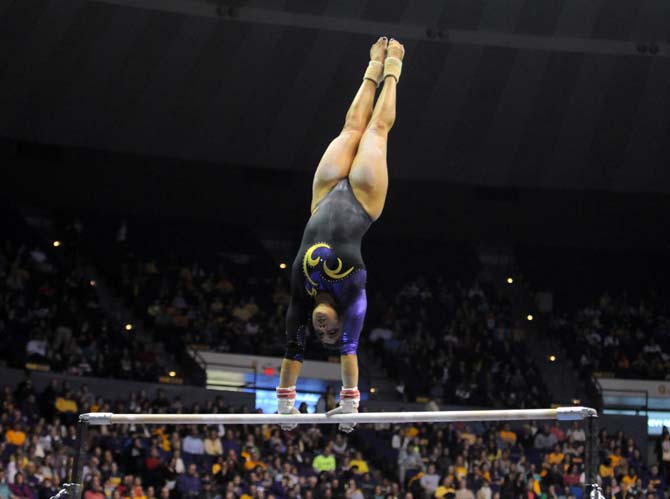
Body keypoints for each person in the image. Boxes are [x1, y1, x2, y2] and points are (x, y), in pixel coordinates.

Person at [276, 37, 405, 433]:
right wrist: (350, 402)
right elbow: (349, 352)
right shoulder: (354, 297)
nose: (322, 328)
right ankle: (393, 69)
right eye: (331, 331)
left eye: (321, 333)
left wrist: (285, 404)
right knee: (376, 131)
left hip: (323, 196)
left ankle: (370, 67)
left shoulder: (302, 296)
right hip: (364, 202)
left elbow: (292, 354)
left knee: (351, 127)